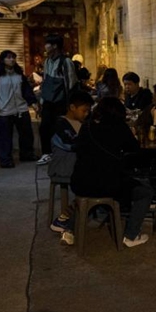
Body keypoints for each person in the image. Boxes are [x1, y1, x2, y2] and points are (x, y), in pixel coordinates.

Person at [69, 97, 153, 248]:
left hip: (80, 183)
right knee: (145, 192)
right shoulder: (119, 127)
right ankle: (130, 235)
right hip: (108, 185)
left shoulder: (87, 126)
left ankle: (70, 230)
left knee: (88, 194)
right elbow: (134, 151)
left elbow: (78, 147)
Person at [47, 90, 94, 236]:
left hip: (75, 162)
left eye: (88, 111)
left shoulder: (83, 123)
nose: (86, 114)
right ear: (72, 107)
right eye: (84, 110)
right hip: (63, 165)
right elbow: (73, 145)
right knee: (96, 179)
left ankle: (74, 214)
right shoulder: (60, 125)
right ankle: (65, 217)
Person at [0, 50, 39, 168]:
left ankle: (27, 154)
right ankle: (5, 159)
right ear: (2, 59)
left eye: (13, 57)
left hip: (21, 108)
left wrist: (33, 102)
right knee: (4, 136)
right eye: (8, 57)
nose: (12, 60)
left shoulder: (19, 74)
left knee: (26, 134)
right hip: (4, 110)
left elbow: (26, 90)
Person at [38, 34, 78, 166]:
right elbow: (45, 80)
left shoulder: (66, 62)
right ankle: (46, 153)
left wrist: (69, 104)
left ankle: (60, 153)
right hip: (48, 100)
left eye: (48, 43)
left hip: (60, 102)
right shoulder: (48, 61)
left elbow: (71, 83)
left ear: (54, 46)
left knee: (59, 128)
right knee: (44, 127)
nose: (46, 46)